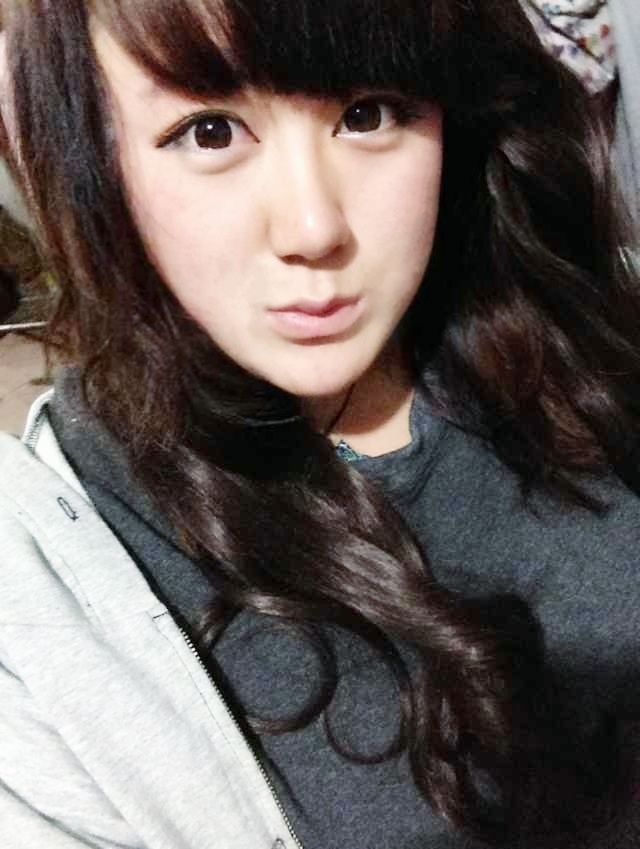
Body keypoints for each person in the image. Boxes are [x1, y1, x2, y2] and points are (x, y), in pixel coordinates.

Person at [1, 1, 639, 847]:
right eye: (210, 132)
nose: (314, 228)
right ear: (91, 152)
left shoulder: (581, 328)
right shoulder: (45, 605)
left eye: (368, 114)